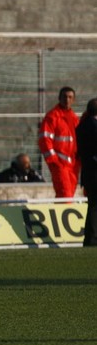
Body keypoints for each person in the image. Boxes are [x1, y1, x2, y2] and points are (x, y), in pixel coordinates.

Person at [38, 87, 80, 199]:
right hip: (60, 163)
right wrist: (54, 160)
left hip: (73, 164)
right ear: (59, 98)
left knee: (69, 193)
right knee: (65, 193)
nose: (67, 100)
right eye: (64, 97)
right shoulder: (52, 117)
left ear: (73, 100)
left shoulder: (74, 118)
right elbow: (44, 139)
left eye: (70, 97)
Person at [75, 98, 97, 247]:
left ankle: (89, 238)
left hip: (88, 172)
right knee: (94, 207)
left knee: (92, 206)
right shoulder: (94, 127)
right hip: (95, 172)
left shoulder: (82, 126)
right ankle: (93, 238)